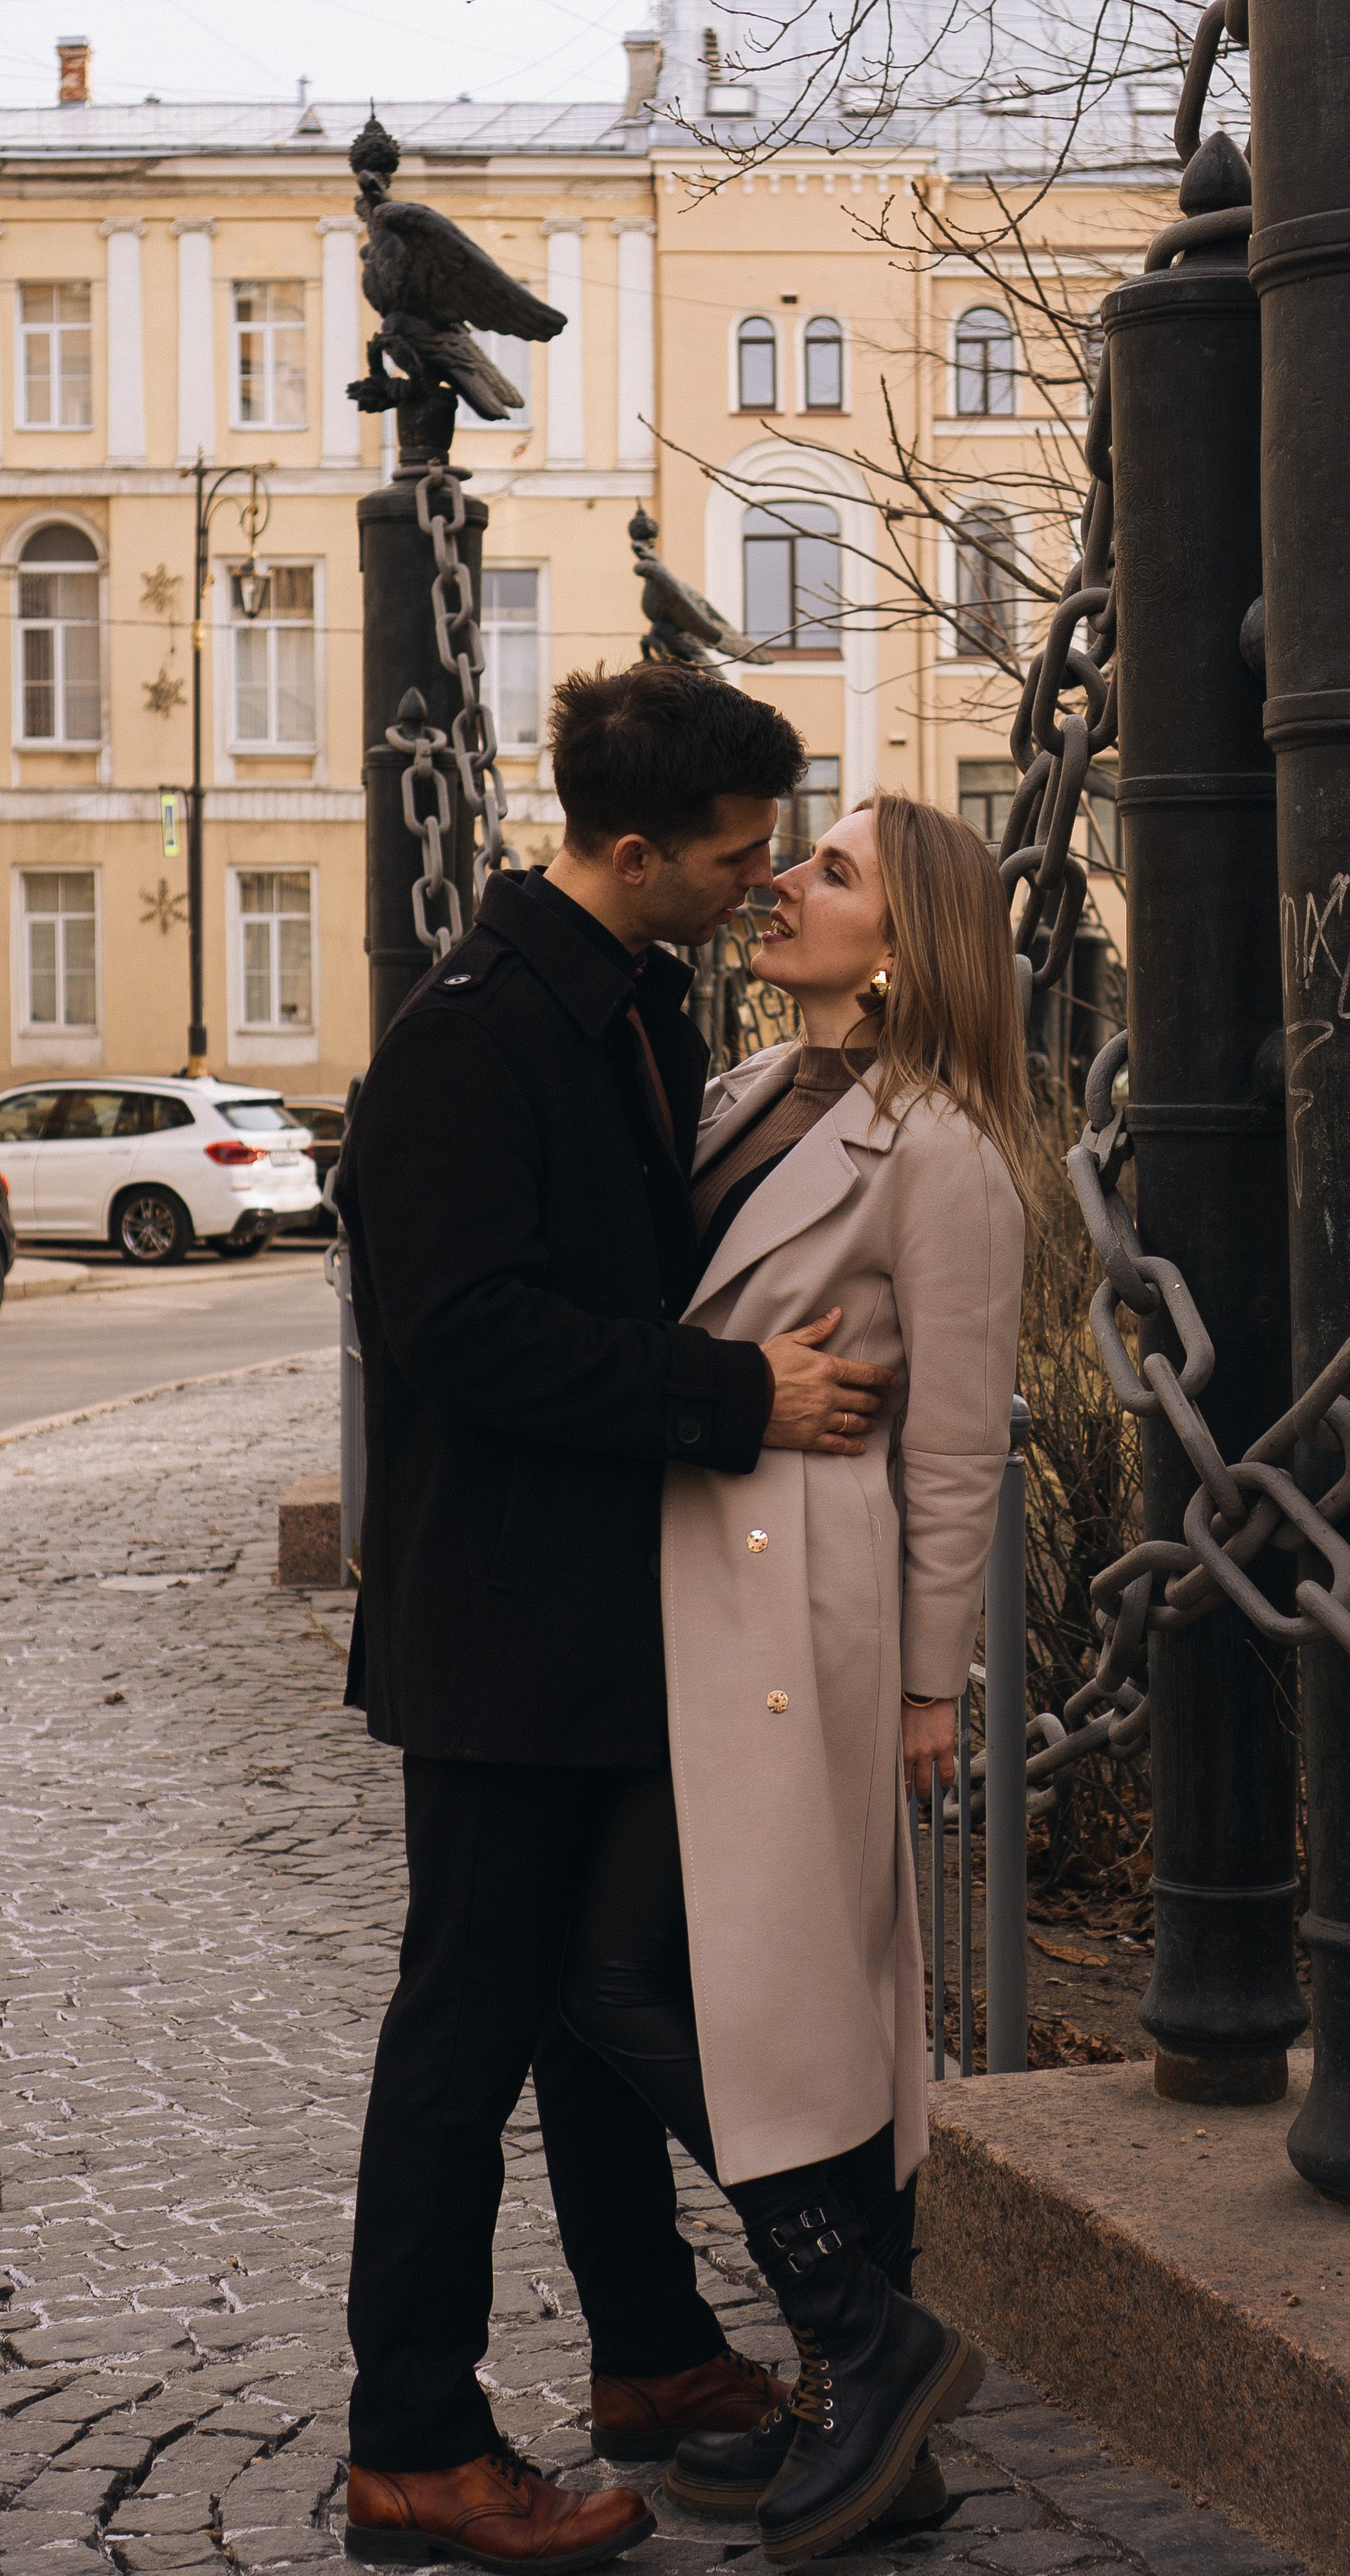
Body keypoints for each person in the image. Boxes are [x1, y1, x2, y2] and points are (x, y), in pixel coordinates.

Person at [335, 665, 898, 2574]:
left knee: (589, 2013)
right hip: (501, 1630)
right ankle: (413, 2444)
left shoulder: (632, 1002)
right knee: (464, 2031)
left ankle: (650, 2355)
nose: (760, 885)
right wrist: (735, 1397)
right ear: (635, 850)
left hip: (604, 1607)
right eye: (736, 858)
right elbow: (463, 1334)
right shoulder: (472, 1037)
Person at [561, 792, 1032, 2568]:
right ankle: (870, 2389)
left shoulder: (944, 1152)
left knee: (727, 1980)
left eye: (829, 872)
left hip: (798, 1611)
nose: (778, 882)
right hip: (684, 1579)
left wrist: (928, 1683)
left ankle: (859, 2353)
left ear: (902, 946)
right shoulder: (742, 1090)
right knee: (690, 1978)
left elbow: (959, 1446)